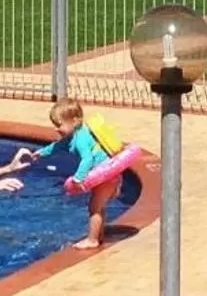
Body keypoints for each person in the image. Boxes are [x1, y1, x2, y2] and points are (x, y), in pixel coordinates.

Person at [28, 97, 133, 250]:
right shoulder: (72, 136)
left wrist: (78, 177)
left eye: (59, 125)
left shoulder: (81, 138)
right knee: (98, 206)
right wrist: (42, 153)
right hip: (107, 176)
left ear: (74, 121)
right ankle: (99, 234)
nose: (56, 129)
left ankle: (92, 240)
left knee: (94, 207)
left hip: (106, 176)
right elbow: (58, 146)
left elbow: (87, 159)